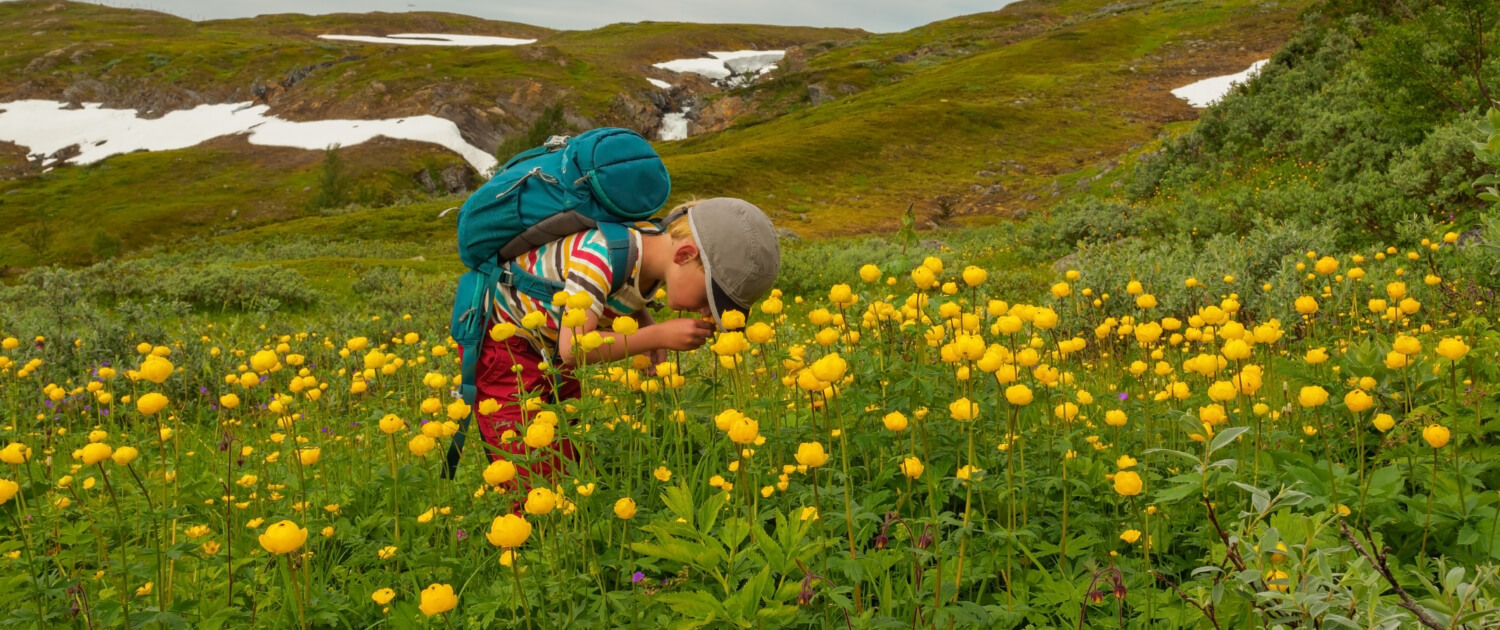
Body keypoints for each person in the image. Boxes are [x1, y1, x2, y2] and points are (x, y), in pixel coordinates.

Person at [461, 197, 781, 488]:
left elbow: (626, 291)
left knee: (568, 437)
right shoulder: (600, 257)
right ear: (685, 255)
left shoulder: (649, 249)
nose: (709, 310)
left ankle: (568, 513)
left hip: (545, 344)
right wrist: (657, 335)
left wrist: (646, 323)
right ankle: (530, 533)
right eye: (712, 295)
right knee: (525, 456)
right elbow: (573, 349)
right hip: (504, 342)